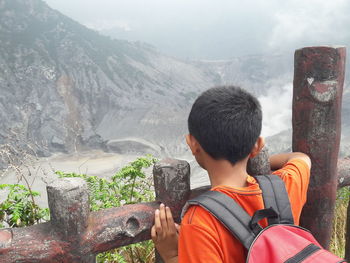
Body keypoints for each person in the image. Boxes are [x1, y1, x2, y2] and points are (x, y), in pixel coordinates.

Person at [151, 86, 311, 263]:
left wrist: (172, 255)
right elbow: (301, 159)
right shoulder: (284, 186)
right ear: (258, 146)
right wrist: (257, 157)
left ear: (192, 144)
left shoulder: (199, 222)